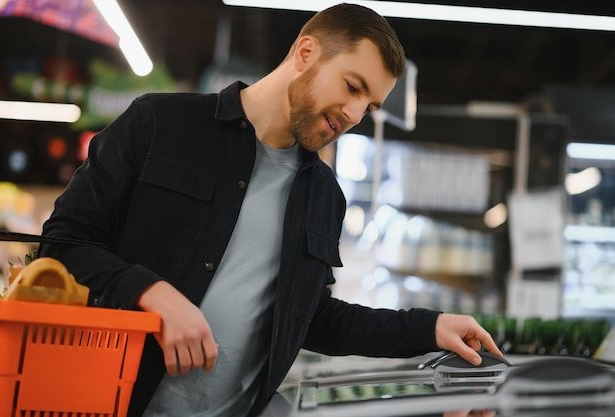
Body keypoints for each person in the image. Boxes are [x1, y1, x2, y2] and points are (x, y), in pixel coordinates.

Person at [40, 3, 502, 417]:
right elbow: (62, 244)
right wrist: (151, 292)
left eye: (371, 104)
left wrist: (431, 327)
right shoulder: (159, 124)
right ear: (305, 53)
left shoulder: (324, 196)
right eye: (352, 86)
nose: (355, 114)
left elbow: (313, 317)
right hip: (108, 402)